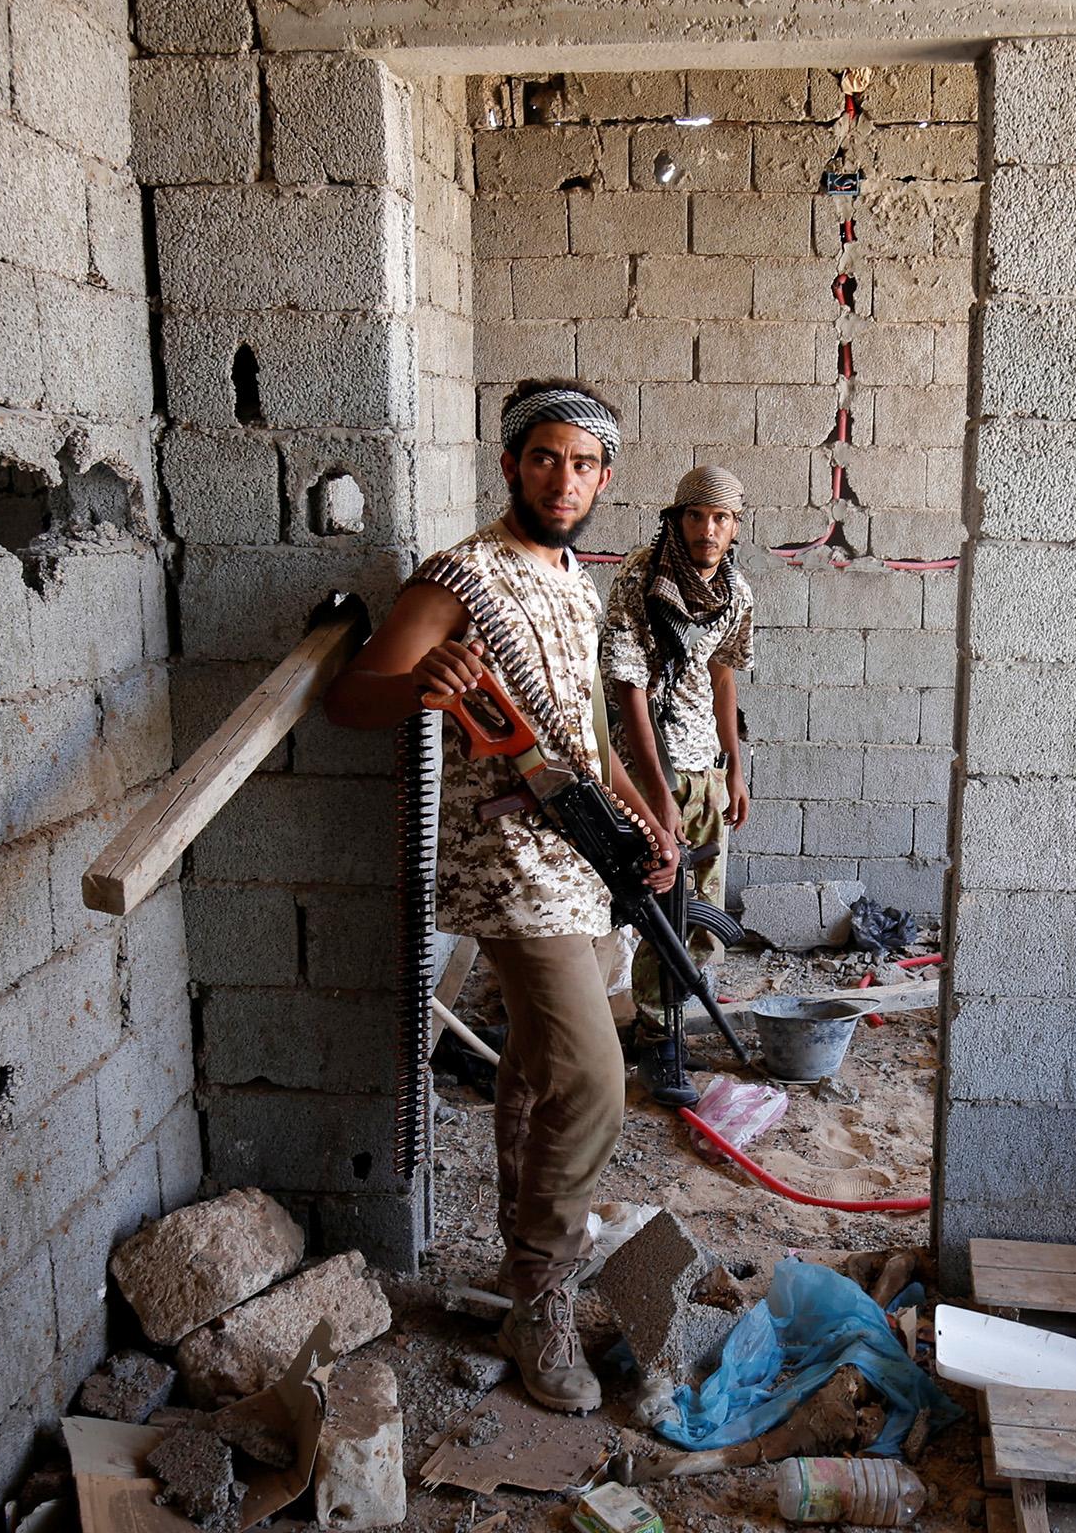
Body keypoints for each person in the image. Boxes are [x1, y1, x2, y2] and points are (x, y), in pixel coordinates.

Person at [323, 378, 676, 1415]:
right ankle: (544, 1291)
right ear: (511, 463)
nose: (562, 480)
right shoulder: (459, 577)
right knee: (595, 1081)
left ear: (604, 477)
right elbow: (351, 698)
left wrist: (644, 819)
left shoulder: (574, 578)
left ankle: (525, 1266)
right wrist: (417, 686)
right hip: (505, 867)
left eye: (582, 465)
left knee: (531, 1071)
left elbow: (586, 739)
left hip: (578, 856)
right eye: (543, 459)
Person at [601, 467, 755, 1090]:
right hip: (642, 772)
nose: (707, 530)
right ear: (676, 518)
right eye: (696, 516)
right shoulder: (642, 578)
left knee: (700, 912)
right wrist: (656, 790)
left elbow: (724, 676)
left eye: (721, 518)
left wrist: (735, 765)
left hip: (705, 773)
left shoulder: (737, 592)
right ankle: (659, 1039)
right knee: (654, 909)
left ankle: (666, 1021)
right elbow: (626, 685)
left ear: (736, 526)